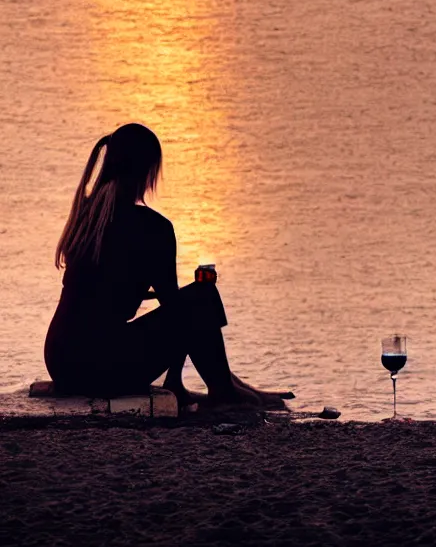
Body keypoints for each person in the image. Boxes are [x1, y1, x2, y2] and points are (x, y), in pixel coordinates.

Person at [44, 123, 292, 409]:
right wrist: (200, 291)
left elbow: (102, 293)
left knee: (195, 299)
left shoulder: (88, 216)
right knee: (201, 296)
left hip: (62, 362)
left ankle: (209, 385)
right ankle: (223, 390)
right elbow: (177, 311)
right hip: (99, 368)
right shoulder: (153, 227)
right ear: (148, 171)